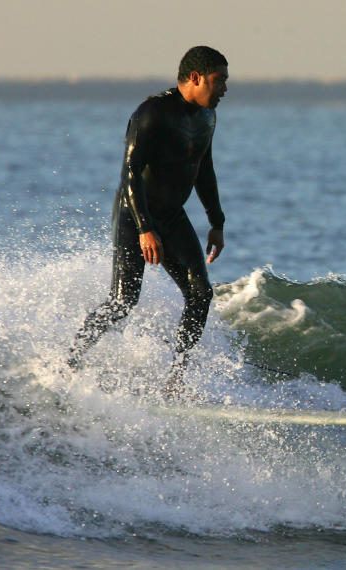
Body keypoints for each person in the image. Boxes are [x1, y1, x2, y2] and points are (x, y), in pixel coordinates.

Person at [67, 46, 230, 399]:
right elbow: (130, 174)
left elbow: (204, 168)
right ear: (196, 78)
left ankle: (175, 380)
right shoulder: (152, 113)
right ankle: (71, 362)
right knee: (123, 301)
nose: (224, 89)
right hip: (134, 214)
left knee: (200, 294)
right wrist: (144, 228)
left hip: (172, 215)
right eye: (219, 81)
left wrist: (216, 221)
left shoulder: (207, 118)